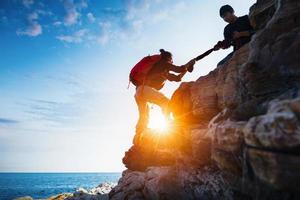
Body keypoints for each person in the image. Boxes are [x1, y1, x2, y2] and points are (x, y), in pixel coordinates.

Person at [133, 49, 195, 142]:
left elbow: (178, 78)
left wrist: (187, 68)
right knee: (166, 103)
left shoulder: (162, 71)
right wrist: (190, 63)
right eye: (171, 59)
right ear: (168, 58)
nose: (172, 61)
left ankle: (138, 137)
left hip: (139, 92)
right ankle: (170, 126)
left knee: (144, 115)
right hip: (145, 90)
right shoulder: (164, 63)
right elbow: (179, 69)